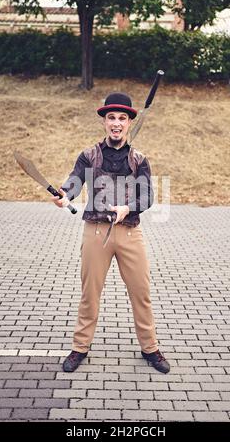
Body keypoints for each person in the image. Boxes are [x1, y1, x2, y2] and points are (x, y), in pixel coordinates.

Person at [52, 92, 170, 374]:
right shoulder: (88, 155)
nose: (116, 123)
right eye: (111, 118)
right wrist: (63, 194)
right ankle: (80, 347)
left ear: (129, 123)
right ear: (104, 122)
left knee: (141, 292)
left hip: (129, 234)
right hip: (95, 232)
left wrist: (127, 208)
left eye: (122, 118)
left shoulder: (139, 159)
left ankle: (150, 348)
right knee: (89, 293)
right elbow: (73, 181)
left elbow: (148, 197)